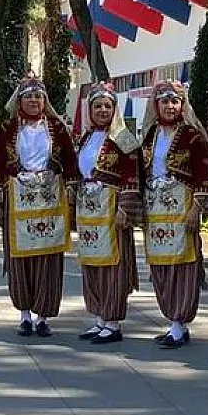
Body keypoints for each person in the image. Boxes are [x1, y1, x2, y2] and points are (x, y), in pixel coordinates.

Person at [0, 75, 79, 337]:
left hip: (51, 201)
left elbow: (71, 163)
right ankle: (24, 315)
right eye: (28, 96)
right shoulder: (7, 129)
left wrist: (71, 193)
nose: (33, 101)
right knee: (19, 258)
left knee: (48, 258)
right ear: (19, 100)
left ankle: (43, 317)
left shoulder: (58, 128)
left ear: (44, 101)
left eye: (38, 96)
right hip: (16, 201)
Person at [138, 80, 208, 349]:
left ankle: (180, 323)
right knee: (160, 266)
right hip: (156, 209)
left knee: (183, 265)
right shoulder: (149, 136)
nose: (170, 106)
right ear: (155, 105)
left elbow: (204, 175)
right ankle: (172, 320)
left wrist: (197, 208)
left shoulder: (193, 136)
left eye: (175, 101)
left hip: (182, 207)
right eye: (165, 101)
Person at [70, 82, 141, 345]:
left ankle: (113, 321)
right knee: (91, 262)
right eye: (97, 106)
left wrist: (125, 207)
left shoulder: (123, 138)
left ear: (115, 109)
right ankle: (99, 317)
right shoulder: (88, 137)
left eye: (107, 106)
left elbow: (132, 176)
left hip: (112, 208)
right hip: (89, 211)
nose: (102, 110)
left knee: (114, 264)